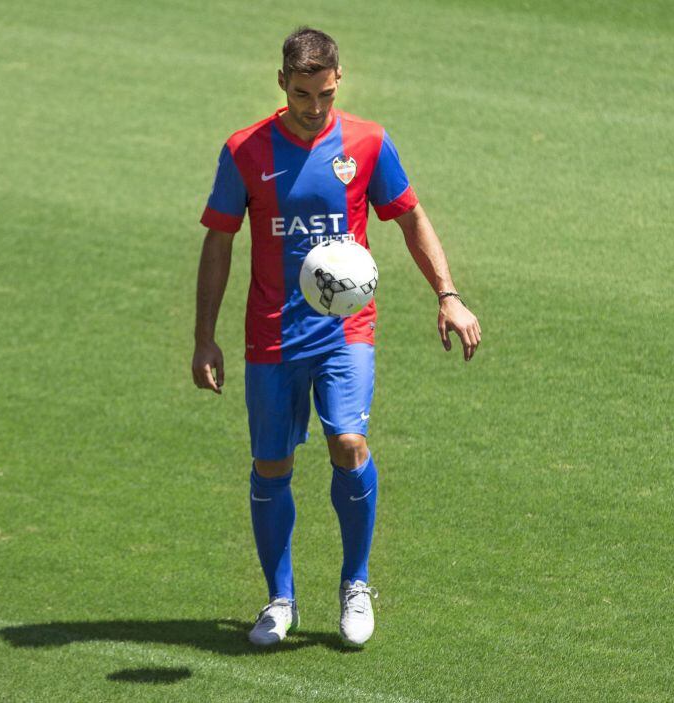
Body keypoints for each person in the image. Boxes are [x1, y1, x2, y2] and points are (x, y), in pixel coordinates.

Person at [192, 27, 481, 647]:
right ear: (281, 83)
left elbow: (409, 216)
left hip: (345, 329)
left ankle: (355, 584)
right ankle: (279, 599)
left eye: (323, 94)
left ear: (338, 80)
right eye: (301, 94)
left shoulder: (367, 143)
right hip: (272, 332)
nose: (313, 107)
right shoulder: (244, 150)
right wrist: (204, 337)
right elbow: (219, 240)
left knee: (349, 442)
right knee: (273, 464)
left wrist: (448, 295)